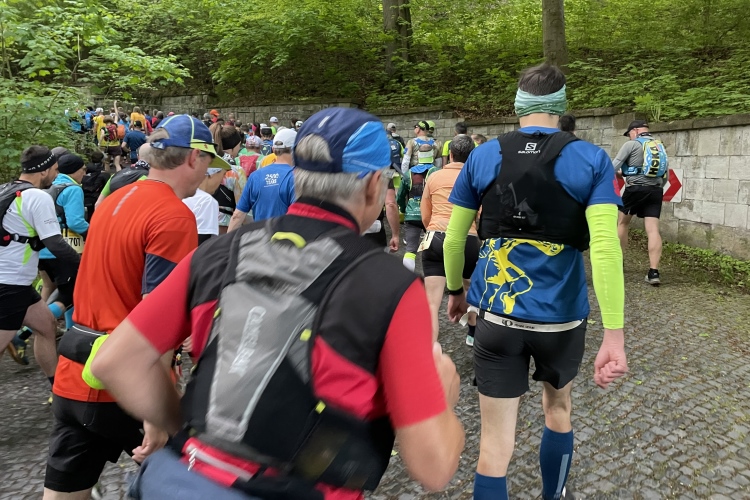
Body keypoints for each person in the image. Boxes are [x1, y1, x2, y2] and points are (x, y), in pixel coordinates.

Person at [89, 106, 465, 500]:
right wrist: (442, 398)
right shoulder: (390, 286)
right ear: (373, 184)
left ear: (297, 176)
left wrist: (191, 429)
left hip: (177, 482)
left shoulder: (217, 253)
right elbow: (433, 467)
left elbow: (116, 362)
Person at [443, 63, 628, 500]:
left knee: (494, 445)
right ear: (561, 106)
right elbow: (605, 248)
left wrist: (455, 291)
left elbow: (454, 239)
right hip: (561, 321)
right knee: (558, 410)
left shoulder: (483, 156)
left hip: (497, 316)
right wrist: (614, 335)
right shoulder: (591, 159)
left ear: (518, 105)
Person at [42, 115, 229, 500]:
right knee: (201, 484)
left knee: (63, 493)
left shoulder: (114, 199)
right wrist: (155, 415)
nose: (209, 173)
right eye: (210, 163)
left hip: (75, 372)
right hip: (125, 382)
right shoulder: (173, 215)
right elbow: (155, 318)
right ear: (193, 157)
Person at [0, 146, 80, 379]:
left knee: (46, 326)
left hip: (17, 282)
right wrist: (83, 264)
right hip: (10, 283)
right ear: (44, 171)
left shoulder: (5, 189)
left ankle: (57, 388)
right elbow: (55, 243)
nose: (56, 175)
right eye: (55, 170)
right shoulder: (38, 196)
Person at [420, 135, 478, 343]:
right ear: (472, 156)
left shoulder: (434, 176)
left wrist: (432, 229)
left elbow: (425, 213)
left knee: (431, 301)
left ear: (450, 154)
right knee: (470, 289)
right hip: (468, 238)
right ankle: (472, 334)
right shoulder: (475, 177)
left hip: (435, 236)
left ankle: (429, 346)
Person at [37, 153, 89, 338]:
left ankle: (59, 330)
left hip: (43, 249)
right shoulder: (73, 189)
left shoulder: (48, 187)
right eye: (83, 169)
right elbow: (75, 222)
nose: (84, 173)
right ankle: (28, 331)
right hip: (66, 249)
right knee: (71, 293)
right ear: (74, 170)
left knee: (53, 289)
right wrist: (94, 233)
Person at [613, 120, 668, 285]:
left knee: (622, 223)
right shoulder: (659, 146)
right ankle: (653, 272)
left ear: (635, 131)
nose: (629, 137)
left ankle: (618, 262)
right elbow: (665, 176)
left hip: (634, 190)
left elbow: (612, 167)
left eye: (629, 134)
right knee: (653, 230)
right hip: (655, 190)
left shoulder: (631, 145)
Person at [228, 128, 296, 231]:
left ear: (273, 149)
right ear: (296, 150)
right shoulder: (296, 177)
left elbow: (237, 216)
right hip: (286, 238)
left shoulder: (255, 176)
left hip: (259, 238)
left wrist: (228, 240)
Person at [183, 168, 223, 245]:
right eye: (223, 175)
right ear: (212, 174)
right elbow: (202, 239)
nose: (221, 181)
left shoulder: (181, 192)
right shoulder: (207, 200)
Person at [81, 151, 110, 221]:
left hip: (85, 194)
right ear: (102, 160)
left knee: (90, 214)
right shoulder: (103, 173)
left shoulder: (87, 168)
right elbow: (108, 185)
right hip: (97, 196)